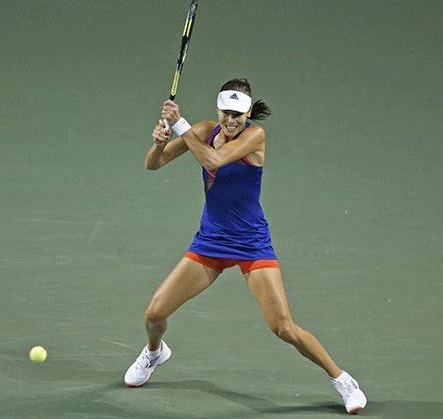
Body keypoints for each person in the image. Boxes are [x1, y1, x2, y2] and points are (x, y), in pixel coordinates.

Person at [124, 78, 367, 414]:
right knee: (154, 314)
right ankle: (154, 353)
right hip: (210, 241)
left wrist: (179, 124)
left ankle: (342, 380)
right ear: (218, 110)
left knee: (283, 327)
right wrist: (158, 144)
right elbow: (154, 164)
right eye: (226, 113)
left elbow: (212, 161)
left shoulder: (255, 136)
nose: (231, 120)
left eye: (238, 114)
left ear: (248, 113)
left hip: (252, 244)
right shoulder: (203, 131)